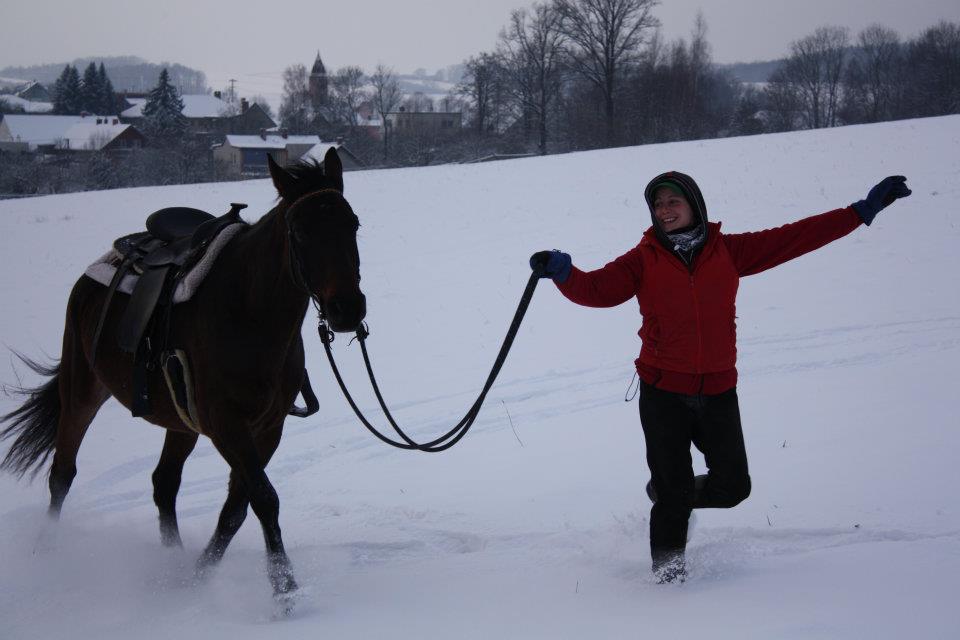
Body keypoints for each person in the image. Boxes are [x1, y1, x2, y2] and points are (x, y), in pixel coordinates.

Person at [530, 172, 911, 583]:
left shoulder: (729, 250)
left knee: (733, 488)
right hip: (662, 393)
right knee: (674, 495)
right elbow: (598, 290)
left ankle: (666, 492)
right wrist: (564, 272)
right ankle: (668, 579)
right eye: (658, 204)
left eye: (673, 201)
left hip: (717, 390)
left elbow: (795, 237)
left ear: (694, 205)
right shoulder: (642, 259)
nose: (665, 210)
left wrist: (859, 212)